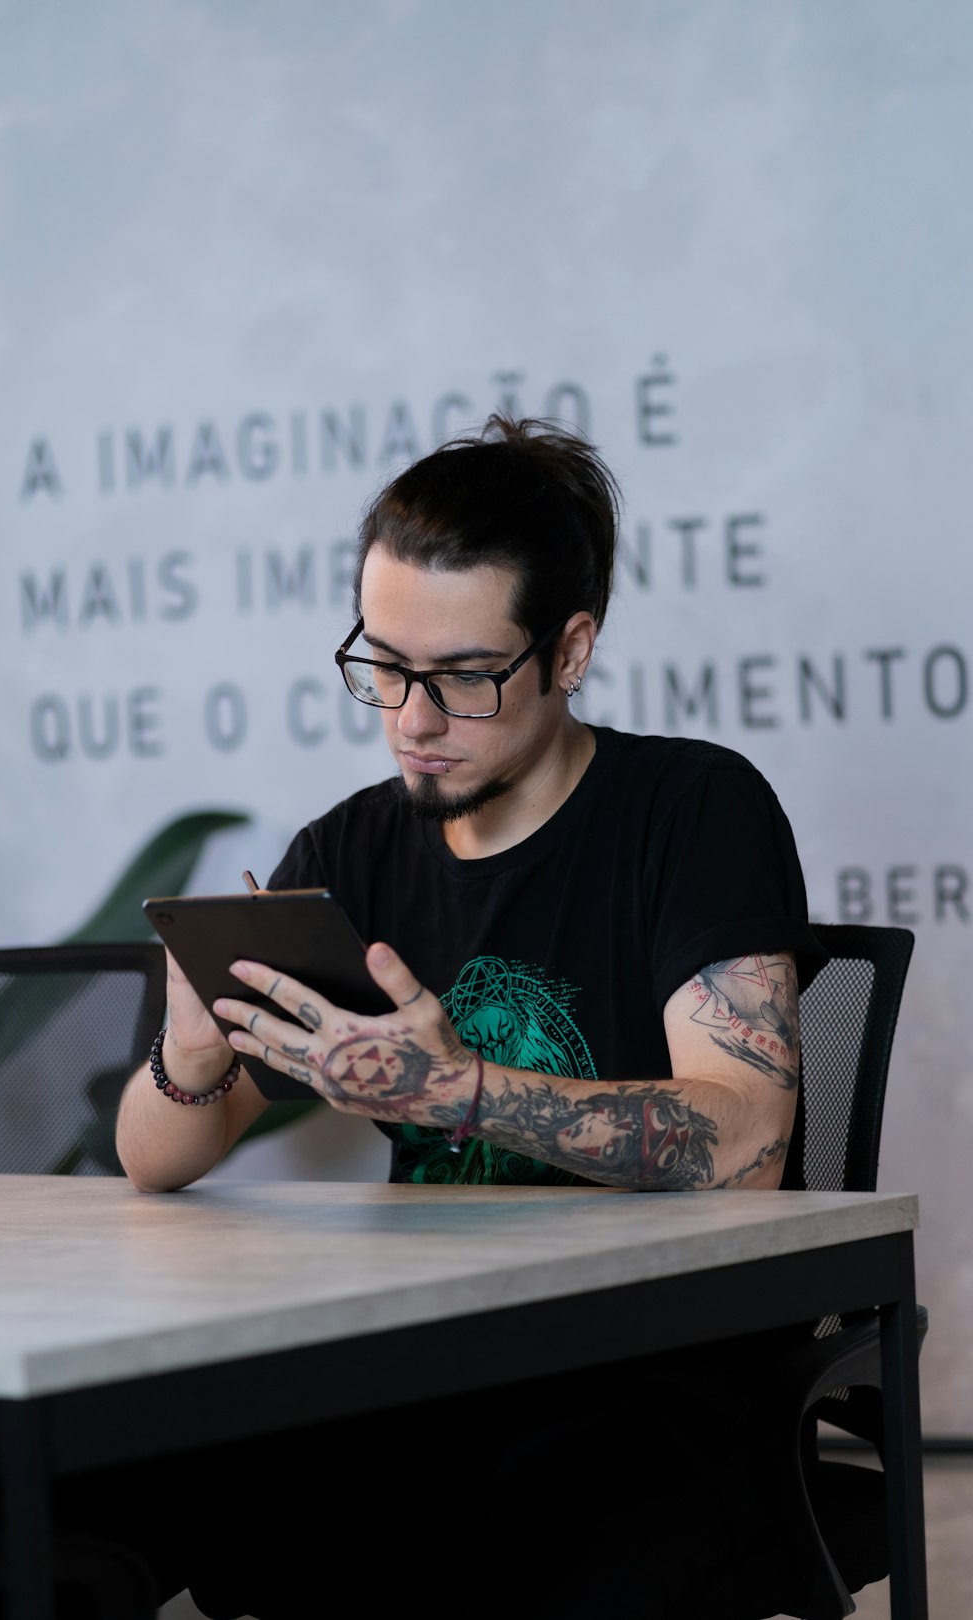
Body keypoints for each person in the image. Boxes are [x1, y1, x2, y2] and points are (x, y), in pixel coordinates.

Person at [109, 414, 827, 1619]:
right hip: (441, 1349)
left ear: (571, 648)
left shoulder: (692, 810)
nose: (411, 718)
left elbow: (746, 1143)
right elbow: (154, 1156)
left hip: (666, 1366)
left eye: (463, 678)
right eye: (382, 664)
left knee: (525, 1548)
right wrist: (189, 1055)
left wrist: (462, 1091)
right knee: (191, 1498)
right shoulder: (349, 849)